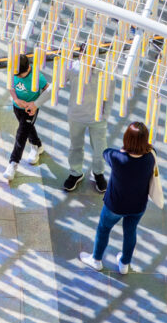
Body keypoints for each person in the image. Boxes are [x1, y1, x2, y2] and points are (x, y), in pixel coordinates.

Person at [79, 122, 157, 274]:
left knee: (103, 229)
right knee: (130, 231)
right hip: (138, 205)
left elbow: (105, 152)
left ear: (126, 139)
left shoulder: (117, 157)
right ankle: (124, 264)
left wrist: (123, 150)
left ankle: (96, 260)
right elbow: (150, 149)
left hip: (115, 205)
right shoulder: (151, 156)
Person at [63, 45, 110, 193]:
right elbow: (56, 85)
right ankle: (75, 173)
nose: (89, 60)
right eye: (85, 56)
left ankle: (98, 173)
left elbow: (110, 93)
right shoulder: (73, 68)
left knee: (100, 149)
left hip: (97, 118)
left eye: (92, 56)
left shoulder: (104, 69)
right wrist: (36, 103)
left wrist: (105, 116)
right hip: (76, 116)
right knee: (75, 145)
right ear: (81, 56)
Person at [3, 53, 49, 182]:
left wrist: (36, 104)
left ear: (28, 68)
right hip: (17, 107)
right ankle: (37, 145)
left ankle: (13, 163)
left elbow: (48, 90)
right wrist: (16, 99)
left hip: (31, 110)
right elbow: (10, 86)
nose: (17, 77)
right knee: (28, 128)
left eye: (19, 75)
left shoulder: (37, 77)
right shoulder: (13, 71)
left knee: (21, 134)